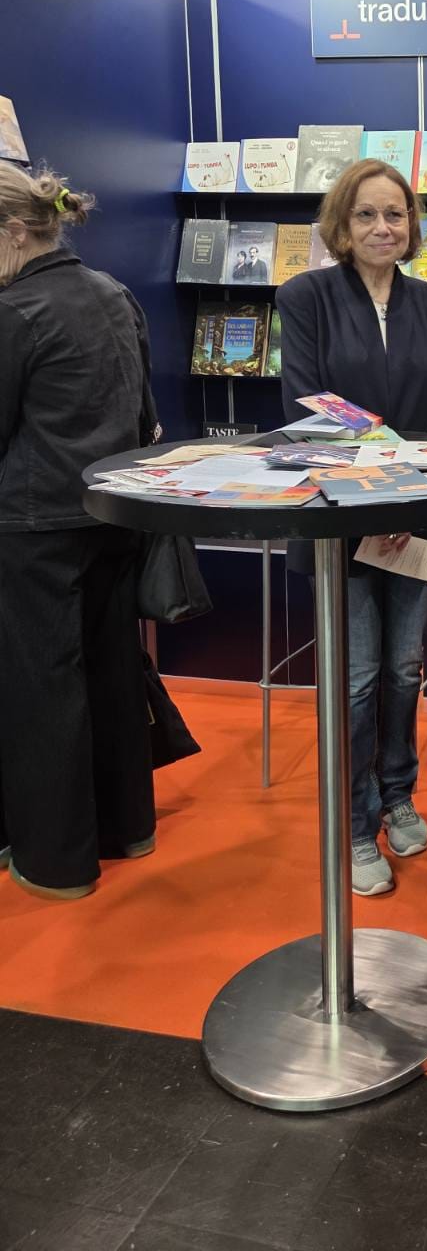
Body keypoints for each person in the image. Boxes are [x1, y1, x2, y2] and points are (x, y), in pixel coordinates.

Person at [277, 158, 427, 898]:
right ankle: (355, 825)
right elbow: (310, 409)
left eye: (395, 214)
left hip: (415, 514)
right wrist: (378, 496)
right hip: (341, 517)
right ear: (342, 225)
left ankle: (398, 794)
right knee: (355, 679)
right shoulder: (306, 297)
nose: (383, 227)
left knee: (403, 669)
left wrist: (405, 499)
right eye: (367, 215)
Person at [0, 163, 157, 899]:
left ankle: (55, 860)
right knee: (112, 671)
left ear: (14, 232)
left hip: (32, 527)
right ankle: (127, 826)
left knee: (42, 688)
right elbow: (143, 412)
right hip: (111, 514)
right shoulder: (111, 292)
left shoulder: (14, 312)